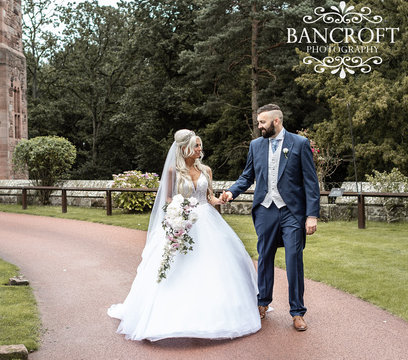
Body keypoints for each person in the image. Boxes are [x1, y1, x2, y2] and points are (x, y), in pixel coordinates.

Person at [108, 129, 261, 341]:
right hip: (181, 221)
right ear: (184, 149)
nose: (200, 149)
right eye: (196, 146)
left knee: (215, 266)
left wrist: (222, 199)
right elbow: (168, 199)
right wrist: (179, 213)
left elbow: (209, 198)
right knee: (176, 266)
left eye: (200, 145)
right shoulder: (173, 171)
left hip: (207, 222)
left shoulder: (206, 170)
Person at [222, 104, 320, 331]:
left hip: (291, 212)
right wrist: (231, 192)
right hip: (266, 210)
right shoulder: (256, 145)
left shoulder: (299, 143)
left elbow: (311, 182)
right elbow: (247, 176)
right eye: (258, 122)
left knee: (293, 259)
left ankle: (297, 312)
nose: (259, 126)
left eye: (262, 122)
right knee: (265, 256)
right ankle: (262, 303)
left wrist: (312, 215)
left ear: (276, 121)